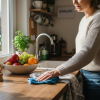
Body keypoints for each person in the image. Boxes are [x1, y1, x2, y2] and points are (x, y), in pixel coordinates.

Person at [36, 0, 100, 99]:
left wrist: (57, 71)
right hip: (84, 73)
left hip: (96, 77)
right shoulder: (84, 19)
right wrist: (65, 65)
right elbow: (82, 50)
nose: (74, 2)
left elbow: (87, 52)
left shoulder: (98, 18)